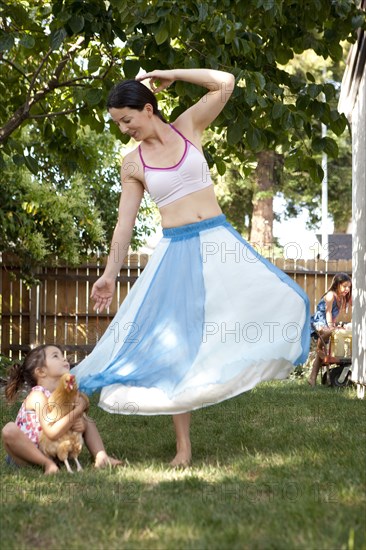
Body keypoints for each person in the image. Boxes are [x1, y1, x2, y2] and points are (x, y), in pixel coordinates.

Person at [72, 68, 310, 467]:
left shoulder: (188, 127)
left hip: (219, 241)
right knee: (177, 344)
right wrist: (110, 274)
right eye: (117, 123)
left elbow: (225, 83)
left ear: (148, 109)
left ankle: (236, 370)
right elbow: (124, 224)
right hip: (176, 253)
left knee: (290, 299)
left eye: (126, 120)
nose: (123, 129)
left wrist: (171, 74)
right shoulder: (133, 164)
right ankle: (183, 447)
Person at [1, 344, 122, 474]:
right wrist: (78, 410)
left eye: (62, 355)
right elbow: (52, 432)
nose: (64, 359)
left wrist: (80, 424)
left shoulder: (66, 393)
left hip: (57, 450)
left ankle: (101, 457)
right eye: (55, 356)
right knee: (9, 429)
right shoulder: (37, 396)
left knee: (87, 420)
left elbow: (69, 423)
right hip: (27, 455)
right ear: (41, 371)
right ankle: (47, 464)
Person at [308, 273, 352, 386]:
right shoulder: (331, 295)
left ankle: (312, 378)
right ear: (337, 285)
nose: (347, 289)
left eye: (349, 287)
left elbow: (333, 316)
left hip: (327, 323)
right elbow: (327, 313)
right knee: (329, 332)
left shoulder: (341, 298)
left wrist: (335, 325)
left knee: (322, 354)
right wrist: (332, 326)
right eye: (345, 286)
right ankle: (318, 348)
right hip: (318, 322)